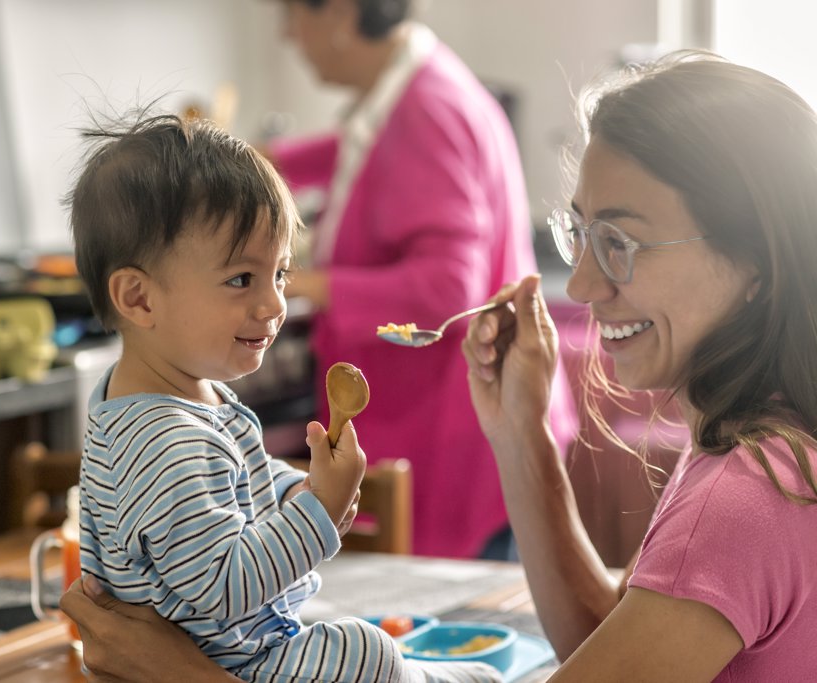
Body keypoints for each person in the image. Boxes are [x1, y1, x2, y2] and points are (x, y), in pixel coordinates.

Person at [61, 51, 817, 681]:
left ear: (755, 261)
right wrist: (520, 433)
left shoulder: (747, 494)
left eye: (619, 241)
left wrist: (183, 672)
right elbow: (610, 643)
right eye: (578, 234)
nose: (582, 286)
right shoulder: (762, 449)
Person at [66, 113, 500, 682]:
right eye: (242, 279)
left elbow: (243, 483)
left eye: (281, 274)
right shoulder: (163, 441)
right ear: (139, 298)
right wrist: (318, 511)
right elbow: (224, 587)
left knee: (358, 645)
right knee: (363, 652)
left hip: (226, 656)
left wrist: (300, 487)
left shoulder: (174, 398)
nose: (274, 305)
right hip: (232, 664)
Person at [265, 0, 577, 559]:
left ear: (338, 14)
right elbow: (359, 153)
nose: (288, 35)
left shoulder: (427, 111)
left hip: (454, 433)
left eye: (293, 14)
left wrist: (310, 285)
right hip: (464, 425)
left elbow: (447, 290)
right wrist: (256, 163)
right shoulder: (414, 88)